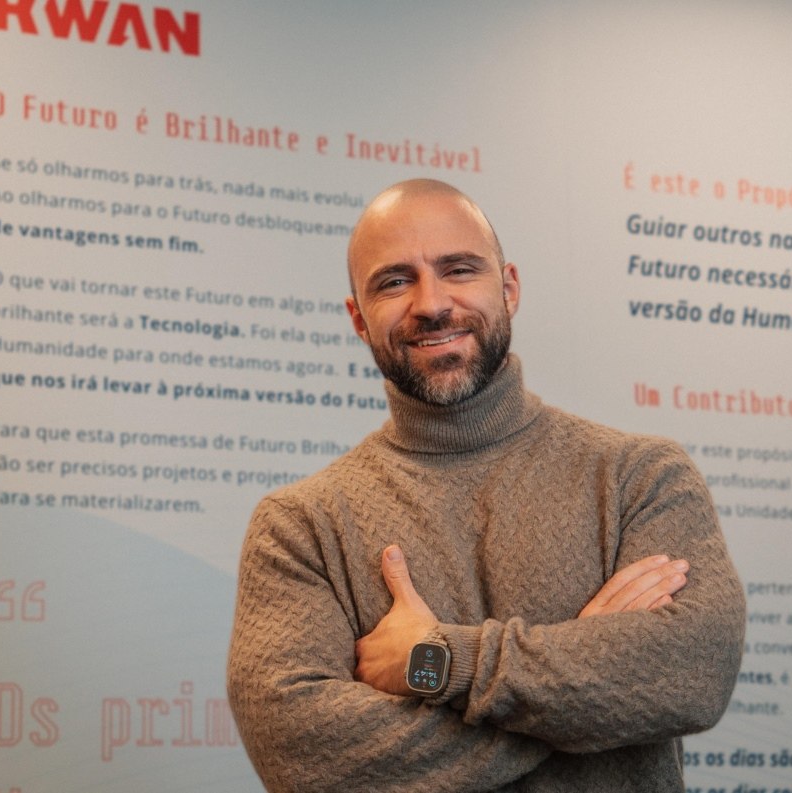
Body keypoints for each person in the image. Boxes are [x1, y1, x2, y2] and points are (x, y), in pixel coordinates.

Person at [227, 179, 744, 792]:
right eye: (394, 281)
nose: (431, 303)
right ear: (359, 319)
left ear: (509, 288)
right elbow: (300, 755)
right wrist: (583, 699)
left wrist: (435, 662)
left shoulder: (642, 477)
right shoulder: (300, 526)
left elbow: (693, 671)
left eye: (459, 269)